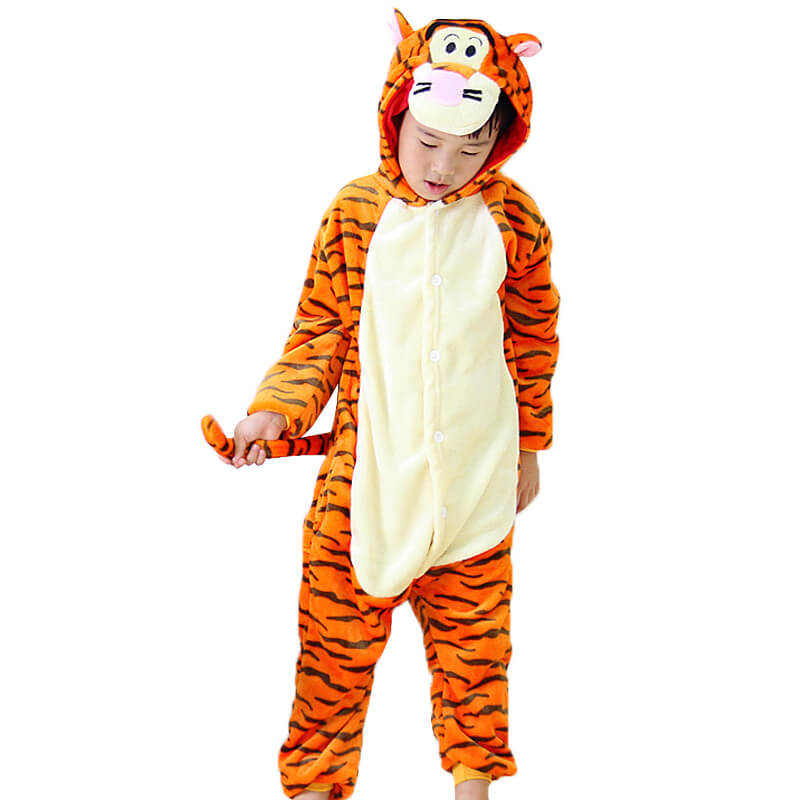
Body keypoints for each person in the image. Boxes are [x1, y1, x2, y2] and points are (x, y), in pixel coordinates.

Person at [214, 11, 559, 800]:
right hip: (360, 491)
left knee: (477, 665)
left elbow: (534, 334)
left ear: (501, 140)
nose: (443, 166)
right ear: (396, 115)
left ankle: (473, 789)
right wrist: (275, 413)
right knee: (330, 670)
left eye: (469, 149)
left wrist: (529, 446)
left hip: (475, 486)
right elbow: (319, 332)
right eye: (428, 141)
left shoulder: (515, 220)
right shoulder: (355, 214)